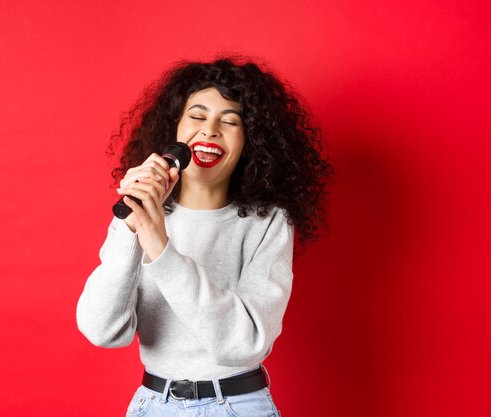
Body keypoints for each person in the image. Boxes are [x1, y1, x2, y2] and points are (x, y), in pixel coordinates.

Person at [76, 56, 332, 417]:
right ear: (174, 132)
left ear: (250, 142)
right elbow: (103, 330)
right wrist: (132, 228)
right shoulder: (139, 216)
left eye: (229, 122)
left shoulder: (268, 222)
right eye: (197, 116)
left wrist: (160, 248)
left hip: (239, 405)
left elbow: (243, 344)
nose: (210, 130)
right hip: (154, 404)